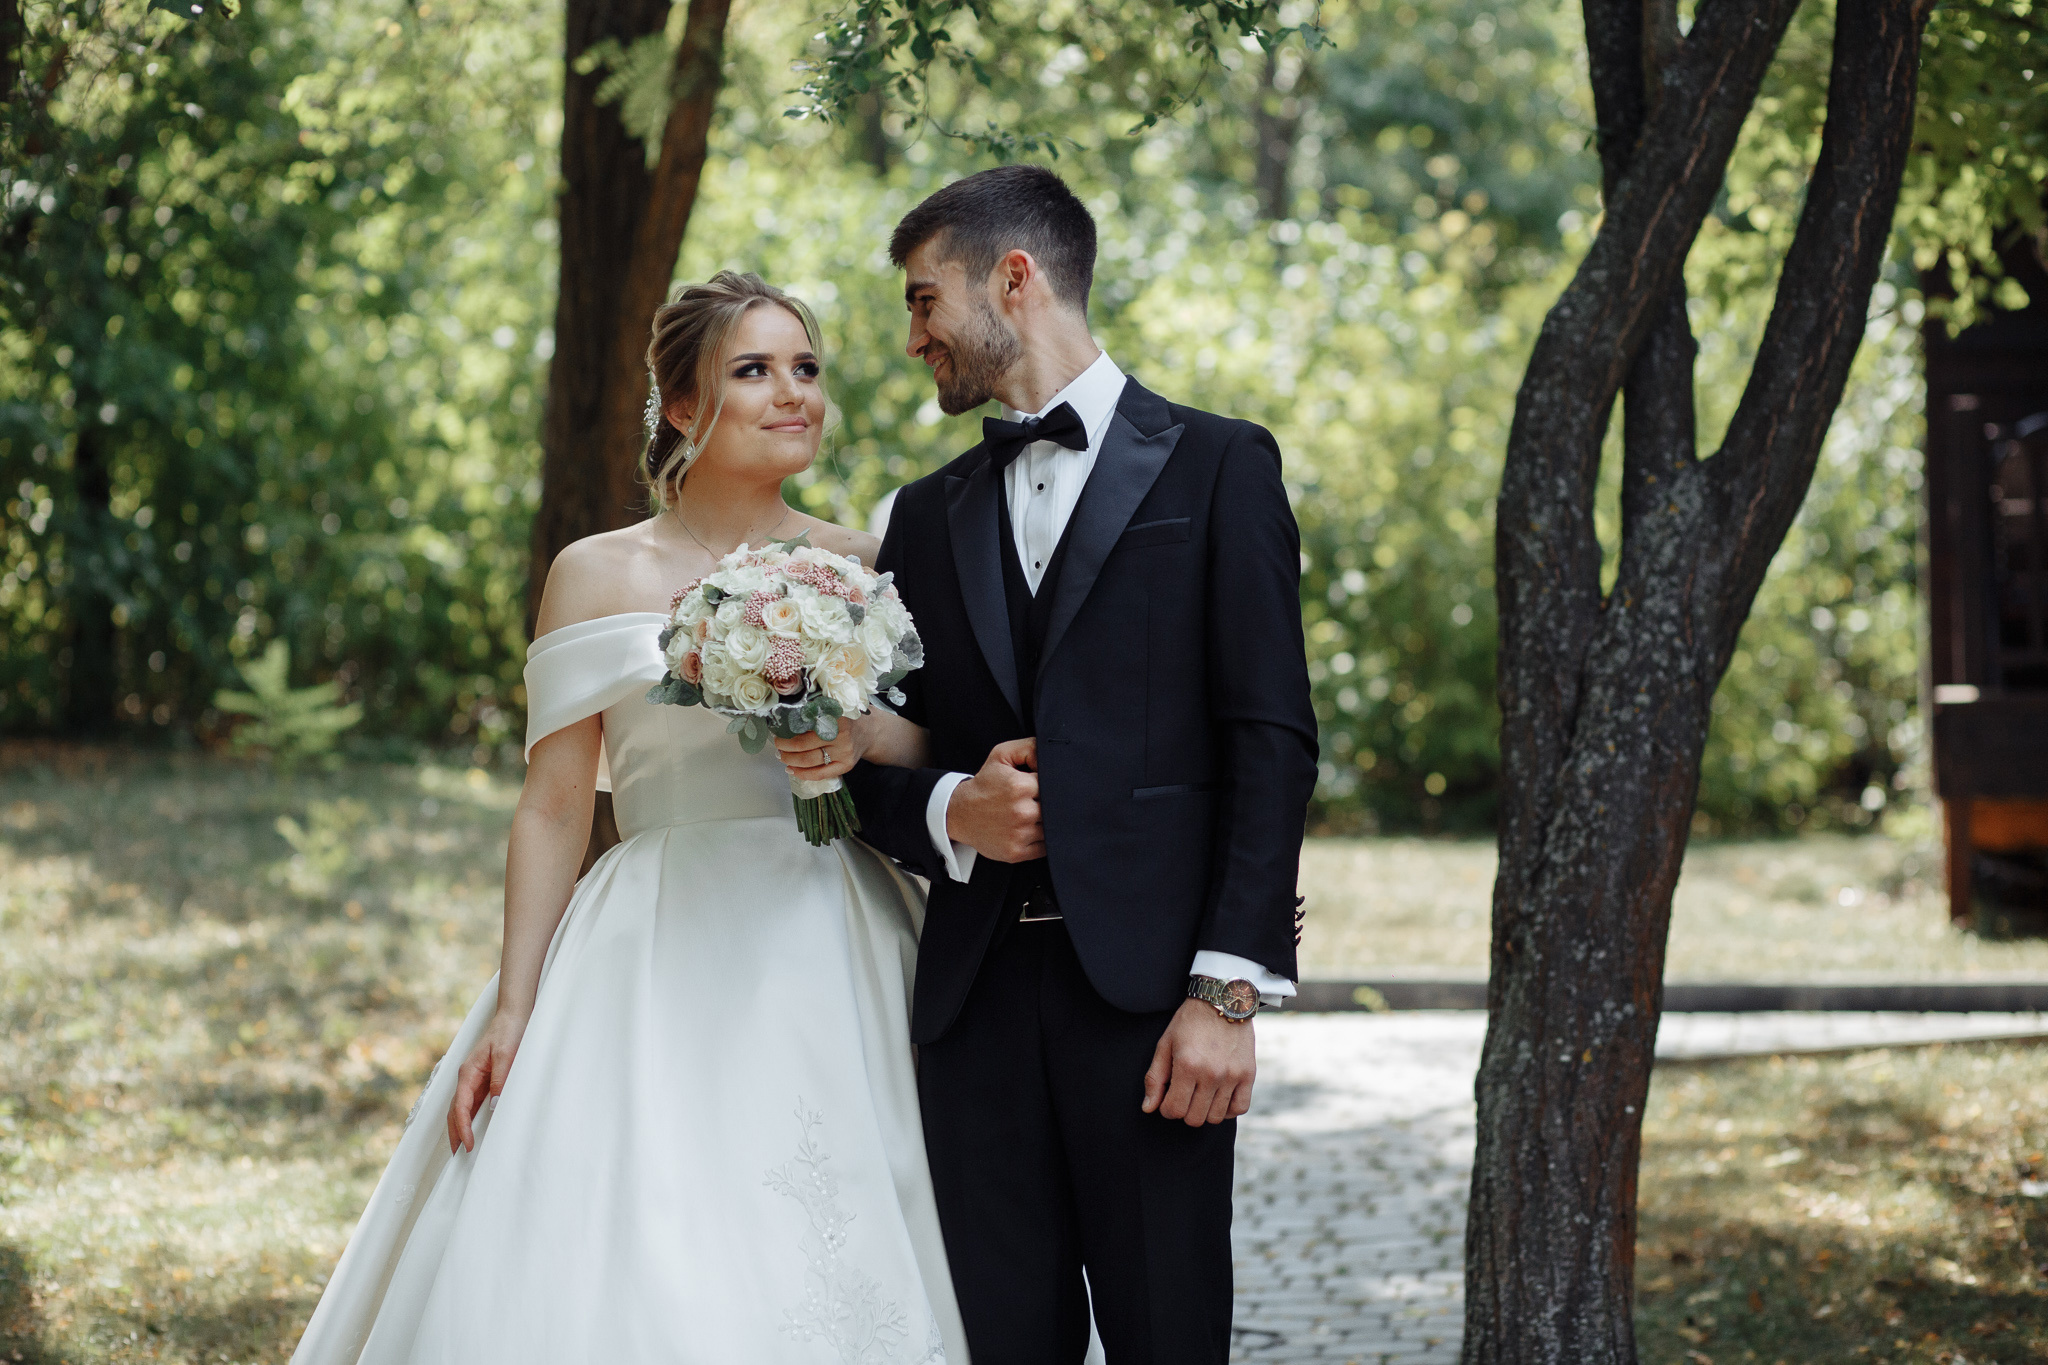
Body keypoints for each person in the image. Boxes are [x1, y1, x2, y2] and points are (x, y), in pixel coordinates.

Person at [289, 272, 968, 1365]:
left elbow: (929, 745)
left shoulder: (862, 561)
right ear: (685, 407)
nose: (793, 393)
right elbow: (556, 803)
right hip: (653, 928)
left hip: (833, 917)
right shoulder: (595, 573)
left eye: (805, 370)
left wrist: (850, 740)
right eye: (753, 370)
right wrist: (516, 1003)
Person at [783, 166, 1318, 1364]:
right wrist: (947, 810)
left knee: (1165, 1338)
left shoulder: (1220, 466)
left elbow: (1270, 746)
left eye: (925, 301)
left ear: (1011, 279)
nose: (911, 335)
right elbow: (873, 759)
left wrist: (1225, 996)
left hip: (1153, 1012)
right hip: (971, 1013)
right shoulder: (921, 516)